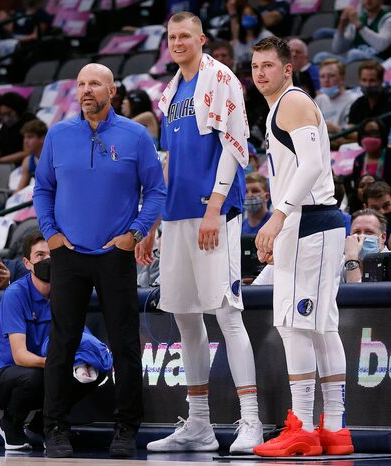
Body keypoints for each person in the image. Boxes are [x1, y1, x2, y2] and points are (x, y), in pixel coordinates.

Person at [138, 11, 264, 455]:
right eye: (171, 37)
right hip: (174, 218)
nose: (177, 42)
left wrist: (214, 207)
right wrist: (152, 224)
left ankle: (252, 422)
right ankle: (199, 425)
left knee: (226, 314)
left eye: (185, 35)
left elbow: (235, 146)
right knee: (185, 318)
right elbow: (169, 163)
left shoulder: (221, 77)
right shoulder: (171, 90)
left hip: (212, 215)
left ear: (202, 38)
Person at [33, 63, 166, 458]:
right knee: (62, 343)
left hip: (114, 254)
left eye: (95, 84)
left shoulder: (135, 135)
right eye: (81, 84)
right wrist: (51, 233)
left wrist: (134, 234)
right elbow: (42, 189)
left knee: (125, 344)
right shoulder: (57, 135)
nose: (86, 90)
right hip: (68, 255)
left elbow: (156, 191)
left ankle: (126, 428)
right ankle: (54, 426)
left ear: (112, 90)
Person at [251, 36, 353, 457]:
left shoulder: (292, 102)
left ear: (287, 68)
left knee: (296, 326)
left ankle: (305, 427)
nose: (260, 73)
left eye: (268, 66)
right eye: (255, 66)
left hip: (308, 220)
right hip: (315, 223)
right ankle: (335, 429)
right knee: (322, 327)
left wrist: (278, 216)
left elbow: (313, 165)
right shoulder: (284, 104)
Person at [0, 230, 112, 451]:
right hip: (4, 375)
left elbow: (80, 340)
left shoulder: (68, 295)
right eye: (40, 255)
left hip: (46, 367)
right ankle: (10, 423)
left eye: (52, 254)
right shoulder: (15, 294)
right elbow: (19, 355)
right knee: (36, 377)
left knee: (91, 373)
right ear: (27, 263)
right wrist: (58, 364)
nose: (47, 260)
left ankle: (42, 424)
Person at [0, 92, 36, 166]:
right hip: (5, 165)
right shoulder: (4, 127)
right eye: (2, 115)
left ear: (17, 110)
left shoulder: (30, 122)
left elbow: (27, 153)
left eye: (9, 114)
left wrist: (0, 160)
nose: (6, 118)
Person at [343, 208, 388, 283]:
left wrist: (352, 261)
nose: (362, 237)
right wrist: (351, 257)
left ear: (383, 237)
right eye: (357, 232)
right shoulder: (340, 266)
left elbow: (358, 294)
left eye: (369, 232)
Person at [315, 59, 358, 136]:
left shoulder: (353, 100)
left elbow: (355, 134)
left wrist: (334, 128)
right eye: (322, 76)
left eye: (331, 76)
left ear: (342, 78)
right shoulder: (320, 99)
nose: (326, 80)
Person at [227, 0, 273, 71]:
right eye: (245, 15)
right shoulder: (238, 41)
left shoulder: (267, 36)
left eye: (251, 14)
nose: (248, 17)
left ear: (257, 17)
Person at [347, 61, 391, 133]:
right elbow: (350, 129)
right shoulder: (358, 104)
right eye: (364, 80)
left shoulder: (389, 102)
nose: (367, 85)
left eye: (372, 80)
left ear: (381, 81)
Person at [352, 118, 391, 187]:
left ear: (382, 134)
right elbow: (356, 186)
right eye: (366, 134)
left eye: (374, 133)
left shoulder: (389, 155)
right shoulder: (358, 160)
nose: (370, 137)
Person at [16, 119, 48, 191]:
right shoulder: (27, 161)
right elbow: (19, 190)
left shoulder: (55, 157)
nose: (25, 141)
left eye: (30, 137)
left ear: (42, 138)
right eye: (25, 137)